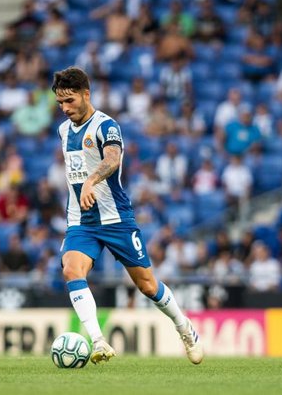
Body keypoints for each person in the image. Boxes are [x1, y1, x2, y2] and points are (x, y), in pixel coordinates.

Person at [51, 67, 203, 365]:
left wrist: (90, 183)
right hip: (82, 221)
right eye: (60, 103)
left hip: (116, 219)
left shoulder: (106, 126)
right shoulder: (63, 130)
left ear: (86, 94)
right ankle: (98, 341)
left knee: (147, 285)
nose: (65, 109)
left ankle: (184, 327)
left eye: (69, 101)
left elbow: (112, 159)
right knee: (71, 269)